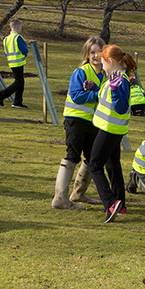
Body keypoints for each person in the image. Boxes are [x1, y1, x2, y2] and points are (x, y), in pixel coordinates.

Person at [53, 36, 106, 211]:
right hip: (75, 120)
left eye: (99, 51)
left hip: (93, 122)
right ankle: (60, 198)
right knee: (72, 155)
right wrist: (98, 94)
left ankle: (78, 193)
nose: (96, 55)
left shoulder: (105, 75)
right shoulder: (81, 72)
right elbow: (76, 96)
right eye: (92, 52)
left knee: (92, 158)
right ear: (87, 54)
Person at [89, 44, 137, 223]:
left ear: (110, 61)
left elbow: (120, 106)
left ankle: (110, 203)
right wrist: (95, 88)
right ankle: (120, 205)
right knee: (112, 166)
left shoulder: (119, 80)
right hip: (113, 129)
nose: (102, 67)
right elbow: (108, 99)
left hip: (109, 129)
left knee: (94, 165)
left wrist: (116, 90)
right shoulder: (115, 78)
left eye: (103, 63)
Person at [0, 18, 29, 109]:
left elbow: (6, 52)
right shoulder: (17, 37)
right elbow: (25, 50)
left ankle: (18, 102)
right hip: (18, 62)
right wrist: (24, 54)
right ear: (17, 27)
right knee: (18, 82)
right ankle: (0, 95)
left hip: (11, 62)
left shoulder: (6, 39)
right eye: (20, 27)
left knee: (20, 82)